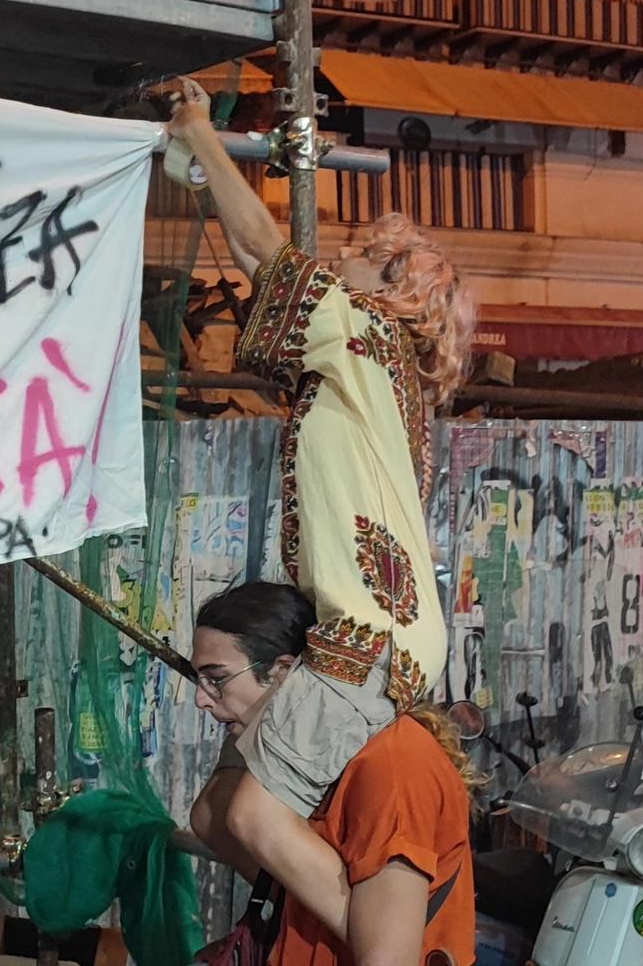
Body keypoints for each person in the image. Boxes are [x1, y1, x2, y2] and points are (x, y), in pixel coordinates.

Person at [166, 77, 476, 941]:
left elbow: (263, 247)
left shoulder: (366, 336)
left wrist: (199, 130)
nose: (339, 256)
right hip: (378, 632)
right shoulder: (377, 378)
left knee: (257, 820)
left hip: (365, 634)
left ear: (397, 289)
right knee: (216, 813)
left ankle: (381, 946)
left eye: (363, 255)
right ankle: (350, 911)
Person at [187, 582, 476, 966]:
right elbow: (212, 818)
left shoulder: (391, 764)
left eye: (217, 679)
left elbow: (387, 959)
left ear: (283, 672)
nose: (200, 699)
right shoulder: (299, 771)